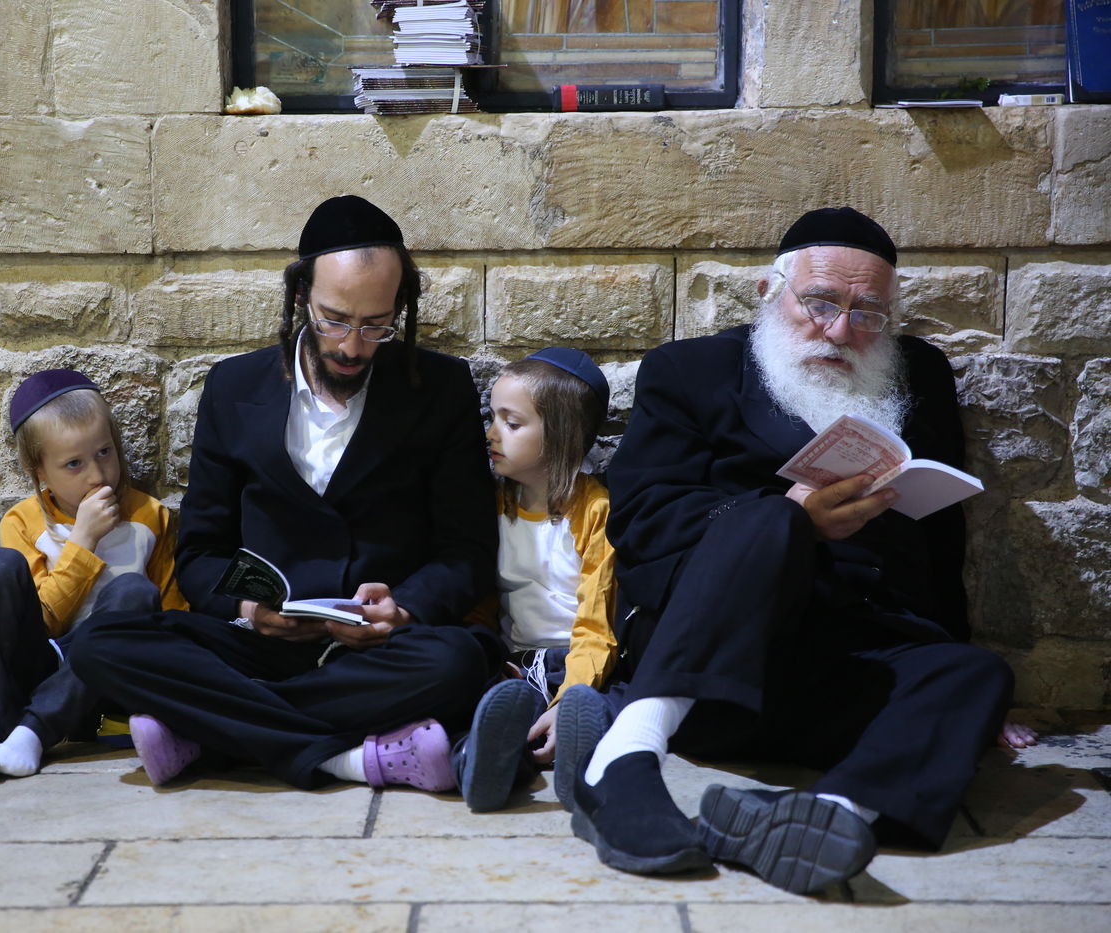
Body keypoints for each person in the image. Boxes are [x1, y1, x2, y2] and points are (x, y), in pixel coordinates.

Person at [559, 207, 1031, 894]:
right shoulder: (691, 371)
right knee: (774, 525)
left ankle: (829, 814)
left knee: (976, 675)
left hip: (839, 680)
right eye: (822, 303)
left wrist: (963, 697)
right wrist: (792, 517)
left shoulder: (917, 376)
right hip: (709, 675)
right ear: (767, 291)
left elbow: (939, 545)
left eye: (868, 312)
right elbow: (644, 523)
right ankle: (622, 755)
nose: (842, 330)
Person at [68, 195, 501, 793]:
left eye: (377, 325)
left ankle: (213, 732)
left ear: (401, 308)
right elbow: (200, 555)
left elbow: (467, 551)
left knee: (459, 662)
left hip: (377, 653)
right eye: (334, 319)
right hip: (255, 645)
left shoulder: (439, 388)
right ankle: (348, 758)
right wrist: (248, 609)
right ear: (300, 296)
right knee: (98, 644)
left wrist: (402, 608)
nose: (353, 346)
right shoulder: (233, 387)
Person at [0, 368, 185, 782]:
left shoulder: (150, 517)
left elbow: (171, 620)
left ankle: (35, 733)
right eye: (73, 464)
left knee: (135, 592)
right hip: (32, 677)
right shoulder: (23, 523)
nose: (97, 475)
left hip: (101, 701)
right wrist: (83, 543)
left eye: (104, 453)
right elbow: (45, 622)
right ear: (38, 470)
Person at [455, 348, 619, 813]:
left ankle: (577, 757)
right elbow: (479, 600)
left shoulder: (594, 511)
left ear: (561, 435)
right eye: (493, 418)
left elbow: (596, 622)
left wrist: (568, 697)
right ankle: (482, 765)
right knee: (496, 708)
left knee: (602, 709)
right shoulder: (491, 506)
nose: (491, 433)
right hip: (513, 665)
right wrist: (486, 651)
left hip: (577, 665)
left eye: (511, 423)